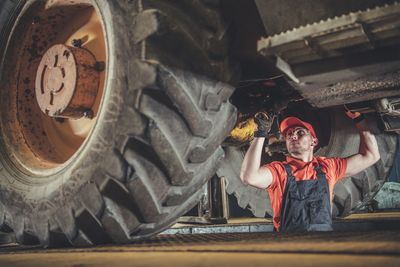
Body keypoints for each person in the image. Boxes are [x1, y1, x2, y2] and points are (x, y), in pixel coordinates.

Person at [240, 112, 380, 232]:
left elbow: (371, 156)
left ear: (314, 141)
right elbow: (249, 177)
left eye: (300, 132)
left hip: (323, 241)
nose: (293, 136)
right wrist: (261, 133)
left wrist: (359, 118)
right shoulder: (278, 171)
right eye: (289, 134)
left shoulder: (327, 167)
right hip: (288, 244)